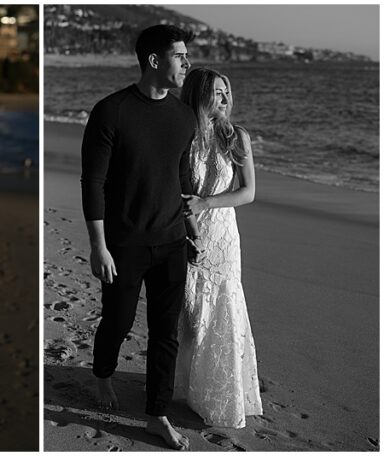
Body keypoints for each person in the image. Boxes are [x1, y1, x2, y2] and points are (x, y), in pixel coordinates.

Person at [80, 24, 197, 450]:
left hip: (171, 242)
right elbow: (92, 182)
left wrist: (191, 228)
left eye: (186, 57)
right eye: (180, 56)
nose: (186, 63)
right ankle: (103, 373)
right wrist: (98, 245)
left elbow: (180, 180)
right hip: (124, 243)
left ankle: (156, 414)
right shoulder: (111, 111)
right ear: (154, 61)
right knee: (119, 321)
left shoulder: (184, 116)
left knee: (165, 331)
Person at [177, 68, 263, 428]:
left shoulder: (236, 137)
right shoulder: (184, 135)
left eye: (227, 91)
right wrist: (189, 220)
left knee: (223, 309)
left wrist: (206, 203)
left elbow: (248, 193)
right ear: (199, 95)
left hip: (224, 235)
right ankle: (186, 387)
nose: (225, 98)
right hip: (187, 231)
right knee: (192, 314)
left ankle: (218, 393)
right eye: (217, 91)